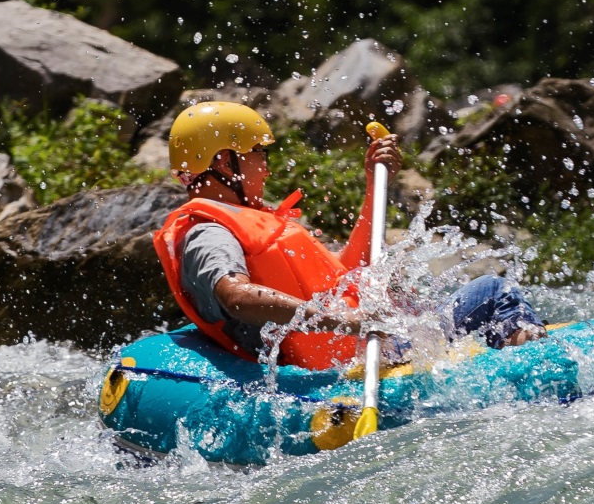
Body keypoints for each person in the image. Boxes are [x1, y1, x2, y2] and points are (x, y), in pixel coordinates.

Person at [152, 102, 544, 367]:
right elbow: (235, 296)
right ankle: (538, 367)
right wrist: (345, 322)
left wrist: (374, 182)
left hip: (366, 344)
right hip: (352, 361)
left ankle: (512, 353)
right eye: (259, 154)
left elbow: (349, 272)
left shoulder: (247, 217)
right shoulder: (209, 232)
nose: (266, 168)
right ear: (224, 160)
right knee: (493, 291)